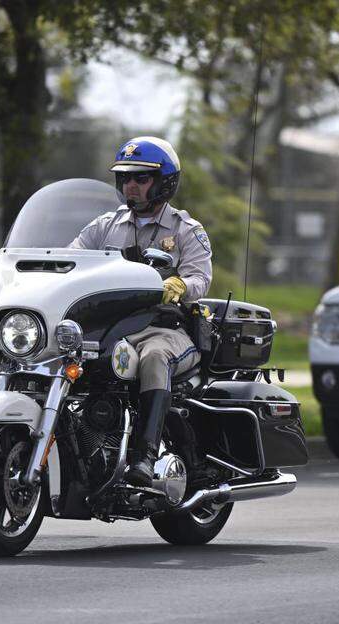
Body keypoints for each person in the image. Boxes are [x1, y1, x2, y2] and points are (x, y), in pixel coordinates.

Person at [69, 136, 212, 486]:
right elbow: (70, 257)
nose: (130, 185)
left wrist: (179, 285)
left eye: (141, 178)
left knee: (154, 358)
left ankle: (144, 457)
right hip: (112, 329)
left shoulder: (184, 230)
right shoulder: (105, 226)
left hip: (165, 331)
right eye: (125, 178)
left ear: (164, 182)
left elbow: (200, 277)